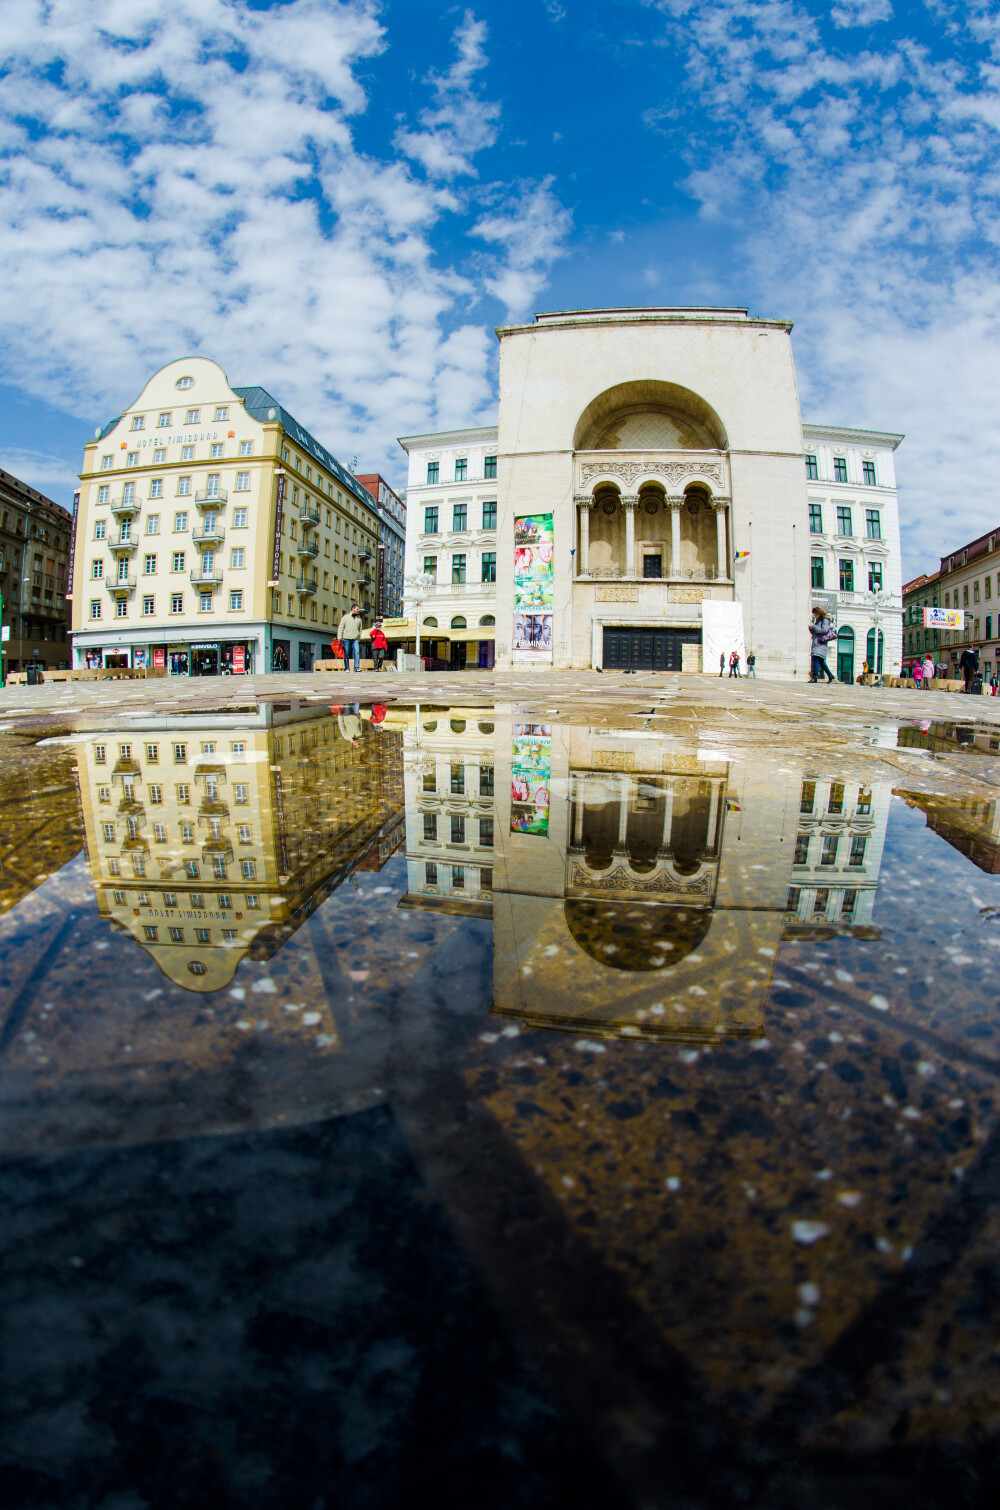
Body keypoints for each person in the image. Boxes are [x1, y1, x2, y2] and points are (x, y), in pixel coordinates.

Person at [809, 607, 836, 683]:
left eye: (815, 615)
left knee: (816, 659)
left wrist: (814, 626)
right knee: (821, 661)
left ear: (819, 613)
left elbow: (824, 630)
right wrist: (811, 629)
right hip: (817, 643)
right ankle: (830, 675)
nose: (815, 616)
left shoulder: (825, 620)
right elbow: (815, 632)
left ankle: (814, 677)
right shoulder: (818, 621)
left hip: (820, 643)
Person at [338, 604, 363, 672]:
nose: (358, 610)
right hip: (346, 638)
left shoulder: (359, 619)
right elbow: (341, 627)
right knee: (347, 653)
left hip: (355, 638)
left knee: (357, 652)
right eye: (357, 609)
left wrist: (359, 637)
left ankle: (356, 667)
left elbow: (360, 629)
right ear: (353, 609)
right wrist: (339, 637)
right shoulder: (345, 617)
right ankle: (347, 668)